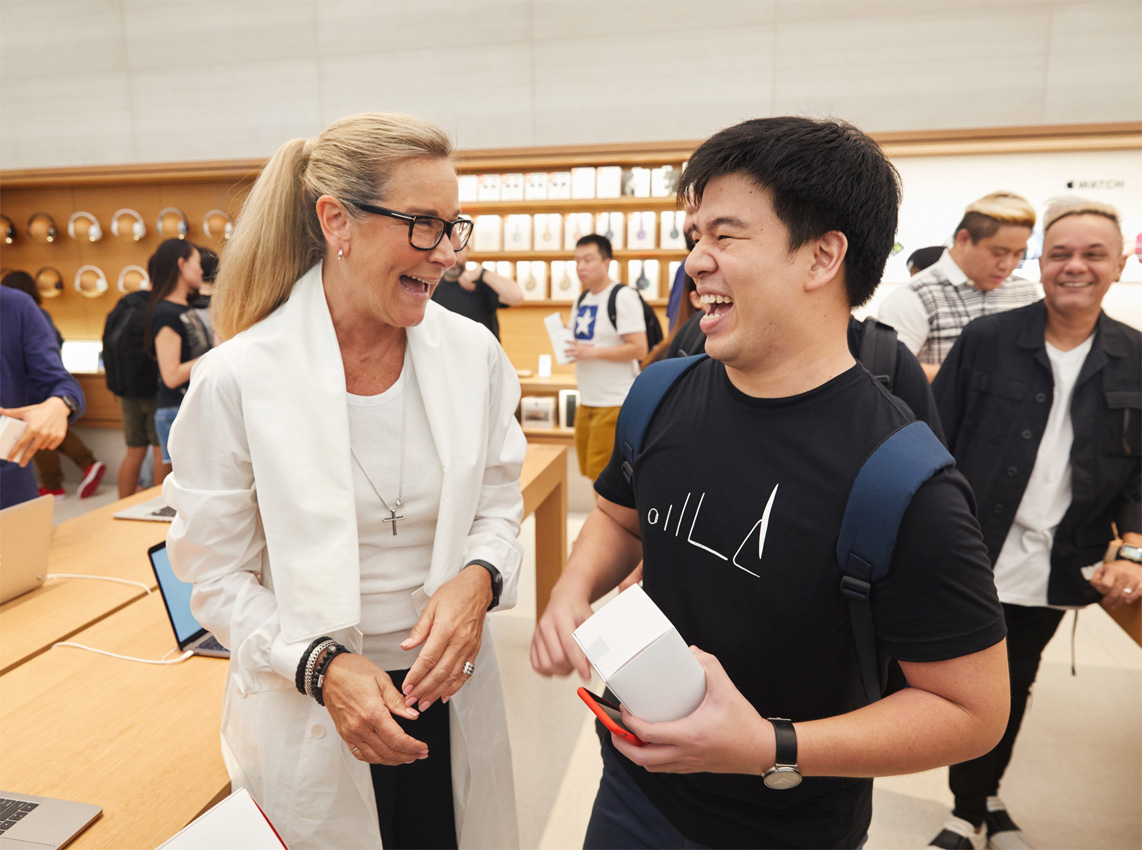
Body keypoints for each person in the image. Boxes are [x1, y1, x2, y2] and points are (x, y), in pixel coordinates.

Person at [531, 116, 1010, 850]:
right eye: (695, 236)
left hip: (785, 824)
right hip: (631, 788)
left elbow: (973, 711)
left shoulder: (905, 481)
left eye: (725, 235)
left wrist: (769, 746)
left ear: (822, 257)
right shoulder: (660, 394)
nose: (696, 261)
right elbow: (618, 517)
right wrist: (570, 590)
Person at [163, 112, 524, 849]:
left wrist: (480, 577)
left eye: (456, 227)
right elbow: (215, 576)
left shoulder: (472, 354)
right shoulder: (240, 378)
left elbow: (496, 500)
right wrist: (320, 666)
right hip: (313, 704)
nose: (447, 253)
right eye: (423, 224)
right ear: (337, 221)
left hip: (447, 691)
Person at [927, 198, 1141, 850]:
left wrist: (1133, 549)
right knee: (957, 685)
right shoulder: (988, 341)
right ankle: (972, 802)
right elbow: (931, 439)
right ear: (1040, 263)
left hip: (1060, 561)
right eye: (1060, 254)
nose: (1074, 266)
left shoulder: (1135, 357)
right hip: (968, 553)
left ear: (1120, 262)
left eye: (1092, 254)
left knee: (1013, 684)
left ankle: (974, 804)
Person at [878, 192, 1039, 381]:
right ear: (963, 239)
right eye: (998, 253)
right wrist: (979, 376)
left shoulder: (1025, 292)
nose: (1008, 264)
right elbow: (889, 370)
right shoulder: (915, 296)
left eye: (1018, 254)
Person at [1, 271, 106, 498]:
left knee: (40, 439)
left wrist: (60, 404)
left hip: (9, 479)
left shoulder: (16, 307)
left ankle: (57, 481)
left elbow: (62, 382)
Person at [567, 234, 648, 481]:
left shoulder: (622, 296)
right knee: (591, 474)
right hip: (587, 399)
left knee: (605, 479)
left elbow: (639, 348)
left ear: (607, 262)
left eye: (588, 260)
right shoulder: (581, 298)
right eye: (577, 260)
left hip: (614, 401)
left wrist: (593, 352)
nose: (581, 266)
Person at [143, 238, 211, 479]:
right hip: (177, 410)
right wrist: (213, 356)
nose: (202, 269)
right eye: (197, 262)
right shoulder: (165, 312)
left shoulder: (185, 308)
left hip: (189, 407)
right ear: (182, 265)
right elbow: (171, 375)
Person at [101, 283, 163, 498]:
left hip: (127, 392)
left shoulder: (126, 304)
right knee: (161, 453)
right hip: (155, 393)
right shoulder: (160, 308)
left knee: (134, 453)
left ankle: (122, 504)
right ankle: (157, 511)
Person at [430, 242, 523, 340]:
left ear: (468, 250)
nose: (453, 257)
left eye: (458, 249)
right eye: (448, 250)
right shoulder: (431, 288)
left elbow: (516, 297)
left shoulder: (481, 283)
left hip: (484, 353)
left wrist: (483, 273)